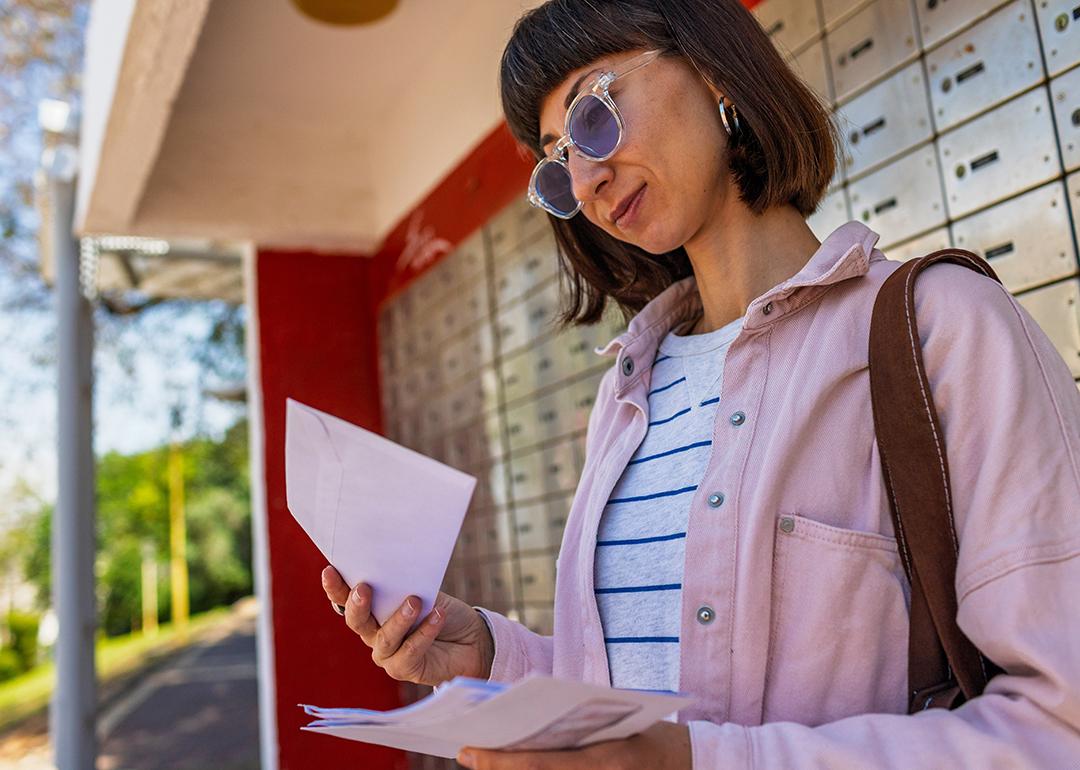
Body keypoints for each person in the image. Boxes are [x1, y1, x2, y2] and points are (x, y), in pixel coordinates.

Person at [322, 1, 1080, 767]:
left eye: (593, 116)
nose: (585, 181)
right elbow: (653, 695)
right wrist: (493, 654)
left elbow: (1059, 725)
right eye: (557, 165)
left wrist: (694, 762)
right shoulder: (628, 396)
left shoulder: (940, 328)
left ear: (714, 68)